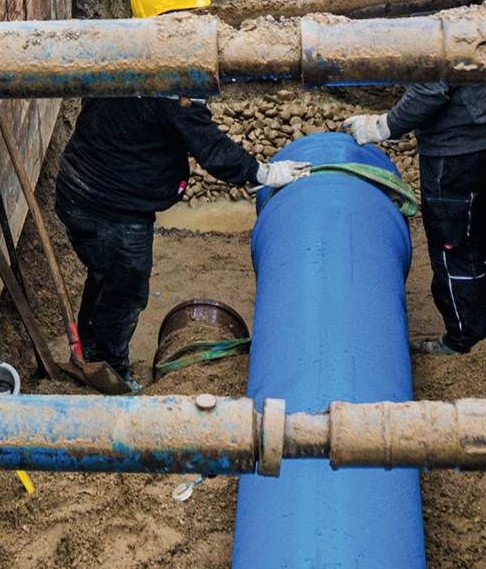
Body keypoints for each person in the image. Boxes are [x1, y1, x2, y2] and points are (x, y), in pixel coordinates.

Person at [342, 0, 486, 355]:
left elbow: (430, 90)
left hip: (454, 153)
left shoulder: (430, 8)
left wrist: (384, 125)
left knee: (452, 246)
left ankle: (464, 340)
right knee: (479, 238)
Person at [55, 89, 307, 388]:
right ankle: (112, 371)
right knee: (124, 295)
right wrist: (262, 173)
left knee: (104, 277)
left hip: (76, 188)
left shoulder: (131, 62)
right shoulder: (173, 94)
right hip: (115, 209)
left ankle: (89, 353)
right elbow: (212, 149)